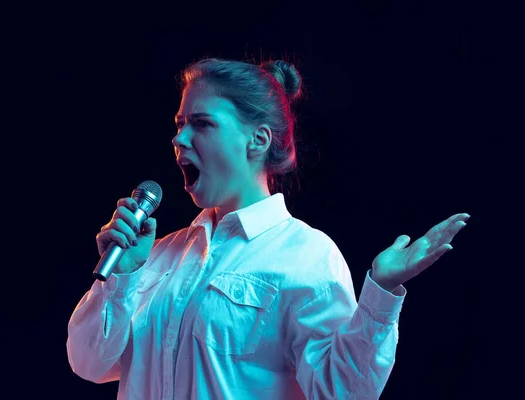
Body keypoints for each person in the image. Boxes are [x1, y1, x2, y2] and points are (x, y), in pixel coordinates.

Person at [66, 57, 470, 399]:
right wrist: (120, 276)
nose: (179, 137)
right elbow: (88, 363)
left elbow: (343, 391)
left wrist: (380, 293)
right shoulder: (158, 255)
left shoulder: (307, 256)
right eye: (179, 122)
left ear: (257, 140)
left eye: (201, 124)